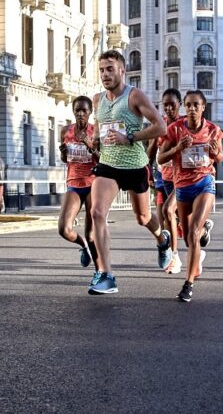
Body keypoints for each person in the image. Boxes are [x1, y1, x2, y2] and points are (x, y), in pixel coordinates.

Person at [87, 50, 169, 295]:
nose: (105, 74)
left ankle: (162, 240)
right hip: (108, 165)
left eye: (110, 69)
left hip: (134, 166)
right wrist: (95, 139)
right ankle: (106, 275)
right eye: (102, 70)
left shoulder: (135, 96)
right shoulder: (97, 100)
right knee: (97, 212)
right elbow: (99, 127)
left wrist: (130, 137)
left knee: (143, 218)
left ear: (122, 71)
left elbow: (160, 127)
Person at [158, 90, 223, 302]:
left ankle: (188, 284)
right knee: (188, 237)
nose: (192, 109)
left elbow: (220, 157)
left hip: (204, 182)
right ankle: (205, 231)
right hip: (182, 186)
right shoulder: (175, 129)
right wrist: (178, 148)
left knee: (193, 232)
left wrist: (214, 153)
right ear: (184, 107)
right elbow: (160, 158)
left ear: (203, 107)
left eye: (196, 105)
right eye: (188, 105)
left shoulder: (213, 130)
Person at [58, 96, 99, 271]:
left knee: (91, 234)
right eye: (78, 110)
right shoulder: (65, 131)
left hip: (92, 183)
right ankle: (83, 246)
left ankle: (100, 272)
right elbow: (65, 159)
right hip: (74, 183)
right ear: (73, 112)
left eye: (84, 110)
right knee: (64, 229)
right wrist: (63, 153)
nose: (81, 113)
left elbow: (103, 159)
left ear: (90, 112)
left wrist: (90, 145)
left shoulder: (95, 131)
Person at [148, 88, 183, 274]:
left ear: (179, 105)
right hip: (162, 178)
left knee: (178, 218)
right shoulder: (159, 125)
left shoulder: (184, 125)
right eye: (165, 105)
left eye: (172, 105)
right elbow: (150, 153)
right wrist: (148, 174)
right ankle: (172, 256)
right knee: (163, 220)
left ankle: (201, 231)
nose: (168, 108)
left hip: (181, 179)